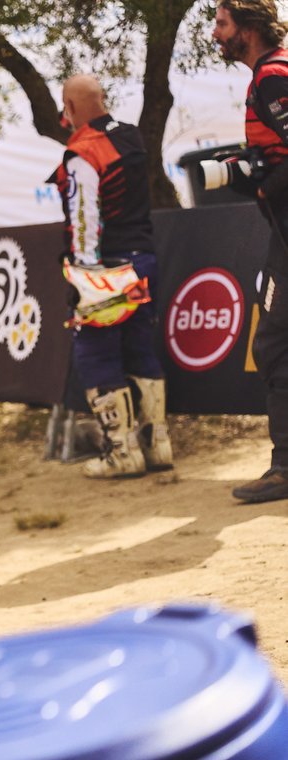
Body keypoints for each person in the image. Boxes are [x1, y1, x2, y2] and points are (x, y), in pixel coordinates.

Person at [49, 74, 174, 479]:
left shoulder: (82, 152)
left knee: (97, 353)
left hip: (107, 270)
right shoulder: (132, 137)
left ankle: (122, 452)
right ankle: (157, 447)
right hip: (143, 261)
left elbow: (85, 220)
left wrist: (84, 277)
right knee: (140, 349)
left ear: (69, 106)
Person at [213, 0, 288, 502]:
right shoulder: (269, 75)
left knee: (276, 343)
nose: (215, 34)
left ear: (249, 27)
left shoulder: (273, 77)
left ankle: (284, 467)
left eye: (221, 23)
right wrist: (253, 169)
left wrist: (263, 179)